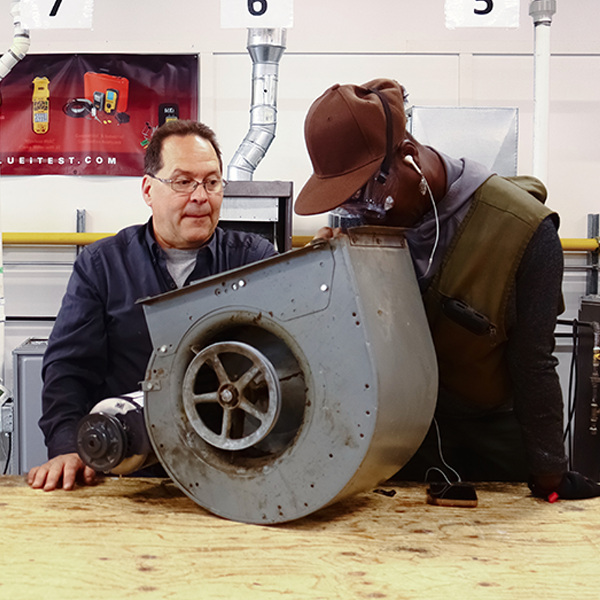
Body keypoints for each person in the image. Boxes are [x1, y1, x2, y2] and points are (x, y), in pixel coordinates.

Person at [294, 78, 600, 500]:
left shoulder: (525, 232)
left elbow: (533, 361)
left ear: (409, 158)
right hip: (397, 442)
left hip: (494, 439)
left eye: (367, 194)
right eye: (347, 202)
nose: (362, 212)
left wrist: (549, 470)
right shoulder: (367, 230)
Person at [28, 119, 277, 492]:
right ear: (148, 189)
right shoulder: (103, 266)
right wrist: (68, 447)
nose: (200, 196)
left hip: (233, 470)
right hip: (128, 475)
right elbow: (68, 370)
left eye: (212, 182)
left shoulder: (255, 261)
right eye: (182, 182)